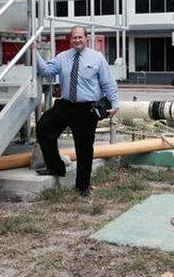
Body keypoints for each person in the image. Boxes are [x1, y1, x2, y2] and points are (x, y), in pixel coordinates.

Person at [35, 26, 119, 197]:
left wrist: (115, 103)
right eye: (74, 38)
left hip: (86, 109)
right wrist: (34, 51)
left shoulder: (97, 58)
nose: (77, 40)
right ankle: (55, 167)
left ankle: (83, 186)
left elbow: (108, 83)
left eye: (80, 37)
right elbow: (46, 71)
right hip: (65, 105)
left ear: (86, 39)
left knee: (84, 148)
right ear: (70, 39)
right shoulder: (62, 57)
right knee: (44, 127)